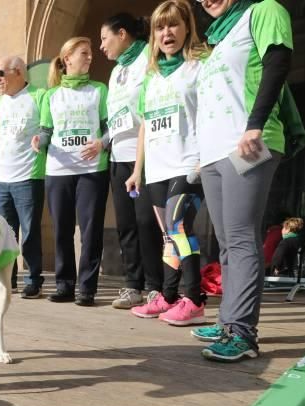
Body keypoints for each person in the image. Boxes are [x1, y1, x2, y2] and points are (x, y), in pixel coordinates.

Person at [193, 0, 293, 362]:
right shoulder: (219, 37)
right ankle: (227, 323)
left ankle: (243, 334)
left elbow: (277, 64)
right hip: (214, 151)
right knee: (226, 243)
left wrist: (255, 125)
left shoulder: (263, 10)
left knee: (241, 237)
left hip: (248, 141)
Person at [125, 0, 209, 326]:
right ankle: (168, 296)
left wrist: (205, 158)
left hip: (190, 163)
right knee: (168, 237)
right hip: (157, 168)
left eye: (173, 24)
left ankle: (195, 297)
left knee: (179, 228)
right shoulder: (152, 76)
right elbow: (145, 124)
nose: (166, 33)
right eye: (160, 27)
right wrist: (137, 170)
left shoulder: (200, 66)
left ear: (187, 26)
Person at [33, 37, 110, 307]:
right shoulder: (50, 95)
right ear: (68, 59)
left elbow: (109, 126)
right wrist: (38, 141)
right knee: (62, 230)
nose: (90, 57)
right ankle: (65, 285)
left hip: (92, 170)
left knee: (91, 231)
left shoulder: (100, 90)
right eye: (84, 53)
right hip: (58, 170)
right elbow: (45, 131)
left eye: (90, 53)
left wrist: (102, 142)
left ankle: (87, 288)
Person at [101, 13, 165, 310]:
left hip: (146, 155)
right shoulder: (116, 72)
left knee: (146, 222)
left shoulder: (149, 58)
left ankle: (155, 286)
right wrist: (103, 143)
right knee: (126, 224)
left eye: (105, 38)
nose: (102, 46)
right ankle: (132, 285)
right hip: (118, 156)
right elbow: (114, 118)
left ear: (122, 34)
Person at [0, 55, 46, 299]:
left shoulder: (38, 96)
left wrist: (41, 140)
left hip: (28, 176)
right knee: (3, 233)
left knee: (30, 231)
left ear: (18, 72)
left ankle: (34, 280)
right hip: (3, 178)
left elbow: (46, 129)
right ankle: (6, 280)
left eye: (0, 73)